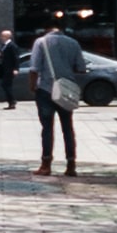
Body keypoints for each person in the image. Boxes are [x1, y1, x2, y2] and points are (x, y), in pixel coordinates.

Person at [30, 21, 92, 177]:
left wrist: (33, 87)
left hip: (45, 90)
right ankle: (71, 165)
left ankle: (46, 165)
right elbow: (81, 68)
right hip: (66, 91)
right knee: (67, 127)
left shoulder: (40, 42)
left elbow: (34, 68)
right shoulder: (73, 43)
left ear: (47, 30)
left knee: (47, 128)